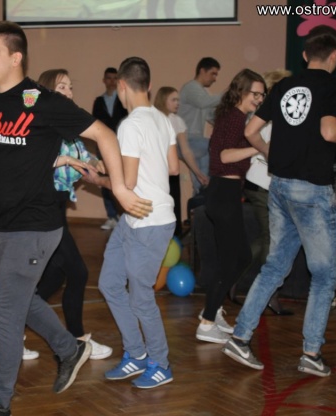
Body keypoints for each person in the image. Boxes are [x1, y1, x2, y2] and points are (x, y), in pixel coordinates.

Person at [0, 21, 152, 416]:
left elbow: (104, 135)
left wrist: (119, 188)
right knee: (24, 301)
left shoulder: (43, 102)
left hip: (36, 224)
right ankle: (70, 349)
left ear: (16, 57)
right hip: (1, 223)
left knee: (6, 312)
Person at [222, 25, 336, 377]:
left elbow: (250, 131)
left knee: (274, 267)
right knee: (325, 275)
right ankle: (311, 353)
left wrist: (270, 152)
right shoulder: (332, 86)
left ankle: (239, 337)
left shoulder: (285, 85)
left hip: (280, 187)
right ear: (334, 56)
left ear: (304, 55)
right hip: (312, 192)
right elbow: (330, 132)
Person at [99, 57, 179, 389]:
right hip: (134, 220)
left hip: (149, 221)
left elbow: (127, 183)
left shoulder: (130, 125)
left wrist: (100, 178)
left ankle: (161, 363)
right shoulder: (163, 119)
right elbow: (173, 168)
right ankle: (136, 354)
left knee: (141, 296)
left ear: (121, 85)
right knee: (109, 283)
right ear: (148, 84)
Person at [23, 68, 112, 361]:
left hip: (57, 208)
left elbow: (84, 157)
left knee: (55, 275)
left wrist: (99, 163)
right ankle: (78, 341)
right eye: (62, 87)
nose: (69, 92)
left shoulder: (68, 125)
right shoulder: (39, 122)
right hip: (43, 209)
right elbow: (34, 160)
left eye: (70, 87)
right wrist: (68, 160)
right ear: (48, 91)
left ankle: (14, 324)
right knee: (77, 272)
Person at [195, 69, 266, 344]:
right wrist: (258, 147)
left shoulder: (234, 117)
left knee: (241, 257)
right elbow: (224, 156)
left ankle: (212, 311)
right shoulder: (235, 118)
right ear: (241, 91)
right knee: (233, 261)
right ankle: (207, 323)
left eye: (262, 95)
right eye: (255, 94)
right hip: (223, 193)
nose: (259, 99)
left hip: (226, 194)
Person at [240, 69, 294, 315]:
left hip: (260, 182)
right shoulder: (270, 117)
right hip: (261, 183)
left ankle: (234, 274)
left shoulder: (265, 115)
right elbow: (266, 151)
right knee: (270, 240)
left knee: (267, 238)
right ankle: (268, 294)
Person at [154, 86, 209, 234]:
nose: (177, 103)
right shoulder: (151, 118)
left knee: (172, 205)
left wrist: (198, 173)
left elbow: (186, 151)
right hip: (153, 171)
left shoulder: (177, 121)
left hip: (171, 171)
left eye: (178, 100)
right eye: (173, 100)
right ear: (163, 100)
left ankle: (174, 235)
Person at [178, 57, 221, 196]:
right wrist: (229, 95)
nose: (215, 79)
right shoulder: (190, 88)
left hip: (195, 139)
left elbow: (210, 116)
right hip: (184, 140)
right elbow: (204, 102)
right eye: (213, 74)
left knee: (201, 172)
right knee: (212, 146)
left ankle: (200, 194)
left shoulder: (202, 92)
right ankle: (202, 191)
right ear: (202, 71)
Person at [92, 67, 129, 230]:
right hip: (103, 146)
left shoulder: (123, 100)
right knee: (105, 178)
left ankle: (124, 215)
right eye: (109, 78)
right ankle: (111, 216)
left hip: (121, 144)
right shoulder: (98, 101)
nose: (112, 81)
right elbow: (94, 124)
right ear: (104, 80)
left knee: (122, 179)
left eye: (115, 78)